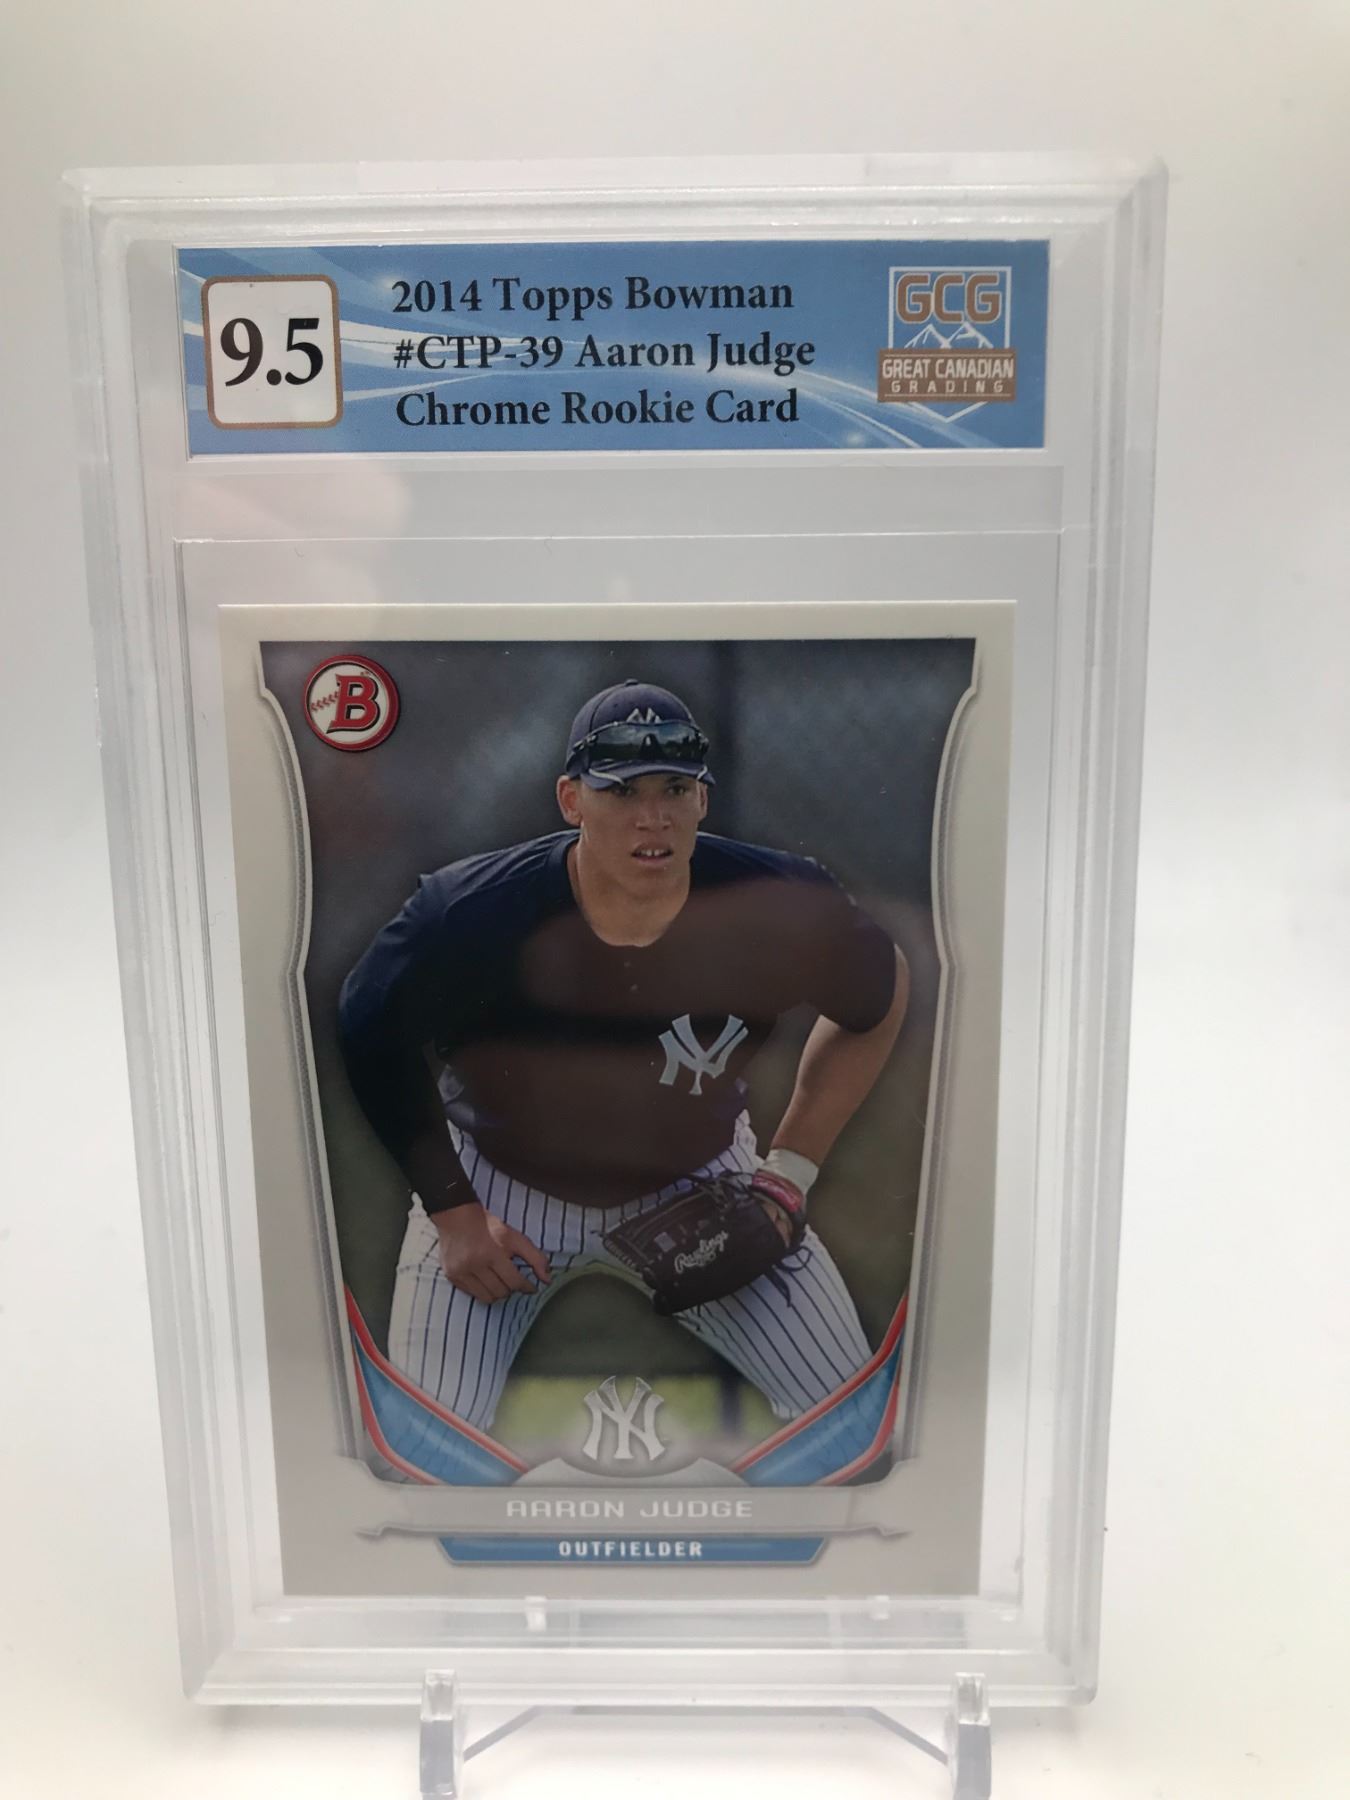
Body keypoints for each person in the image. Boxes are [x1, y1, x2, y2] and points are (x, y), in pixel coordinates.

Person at [338, 679, 908, 1436]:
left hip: (700, 1178)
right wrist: (453, 1213)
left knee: (858, 1427)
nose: (653, 816)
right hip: (500, 1184)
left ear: (703, 799)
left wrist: (788, 1178)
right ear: (571, 800)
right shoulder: (472, 912)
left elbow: (879, 993)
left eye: (675, 788)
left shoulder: (778, 903)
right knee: (425, 1450)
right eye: (621, 790)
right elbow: (367, 1025)